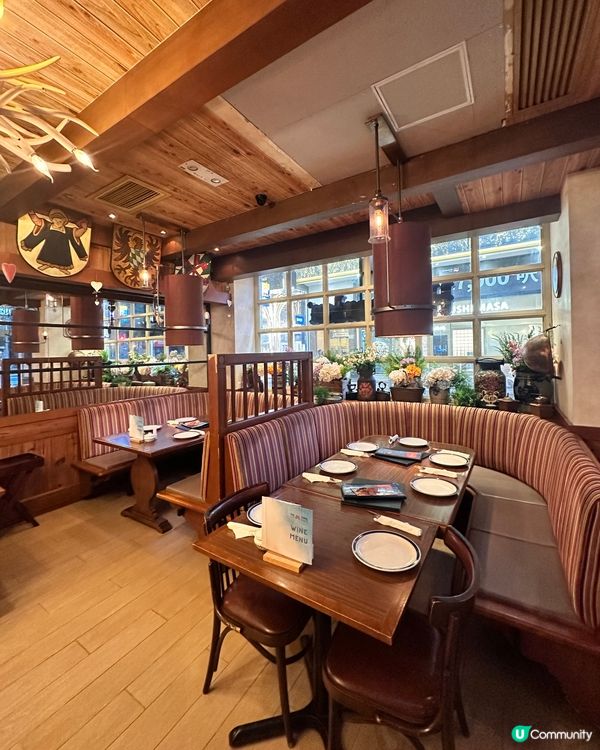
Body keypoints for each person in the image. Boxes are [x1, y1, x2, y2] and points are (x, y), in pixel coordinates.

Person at [20, 209, 88, 274]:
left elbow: (77, 234)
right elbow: (37, 221)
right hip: (50, 246)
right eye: (56, 220)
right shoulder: (47, 226)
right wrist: (32, 214)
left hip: (63, 248)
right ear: (52, 220)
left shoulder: (68, 231)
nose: (58, 222)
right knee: (48, 255)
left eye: (60, 221)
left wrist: (84, 228)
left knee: (63, 257)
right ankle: (47, 265)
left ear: (64, 222)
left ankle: (62, 268)